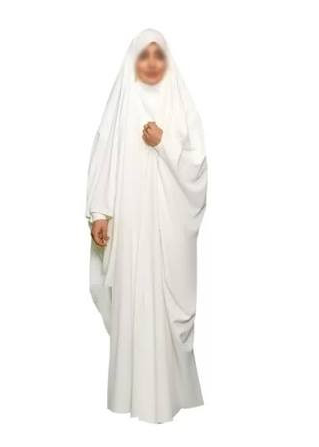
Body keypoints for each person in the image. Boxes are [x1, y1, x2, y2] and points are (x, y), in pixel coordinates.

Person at [85, 28, 208, 423]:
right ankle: (130, 396)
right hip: (129, 229)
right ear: (132, 61)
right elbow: (103, 155)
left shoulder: (180, 104)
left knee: (161, 303)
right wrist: (100, 213)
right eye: (144, 55)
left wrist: (164, 142)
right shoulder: (121, 103)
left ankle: (165, 398)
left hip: (166, 233)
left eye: (158, 55)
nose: (151, 63)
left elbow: (197, 168)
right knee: (131, 299)